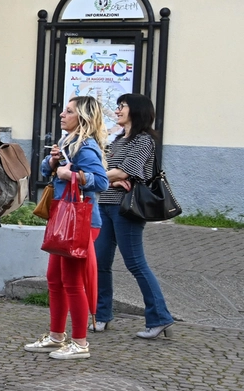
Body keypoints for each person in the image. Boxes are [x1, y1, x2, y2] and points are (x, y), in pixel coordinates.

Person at [24, 96, 109, 360]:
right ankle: (56, 336)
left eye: (69, 111)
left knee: (72, 282)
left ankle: (80, 343)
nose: (62, 114)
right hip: (63, 219)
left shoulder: (86, 147)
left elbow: (102, 182)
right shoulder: (67, 142)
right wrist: (51, 164)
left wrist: (70, 175)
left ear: (82, 118)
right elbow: (46, 171)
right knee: (54, 279)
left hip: (79, 222)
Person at [94, 92, 175, 339]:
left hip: (128, 208)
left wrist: (98, 179)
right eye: (118, 106)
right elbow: (108, 170)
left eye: (122, 106)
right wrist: (111, 177)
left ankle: (159, 317)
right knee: (99, 264)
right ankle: (102, 315)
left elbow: (126, 171)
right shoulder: (117, 140)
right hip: (105, 205)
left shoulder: (143, 140)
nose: (117, 110)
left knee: (135, 263)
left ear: (136, 111)